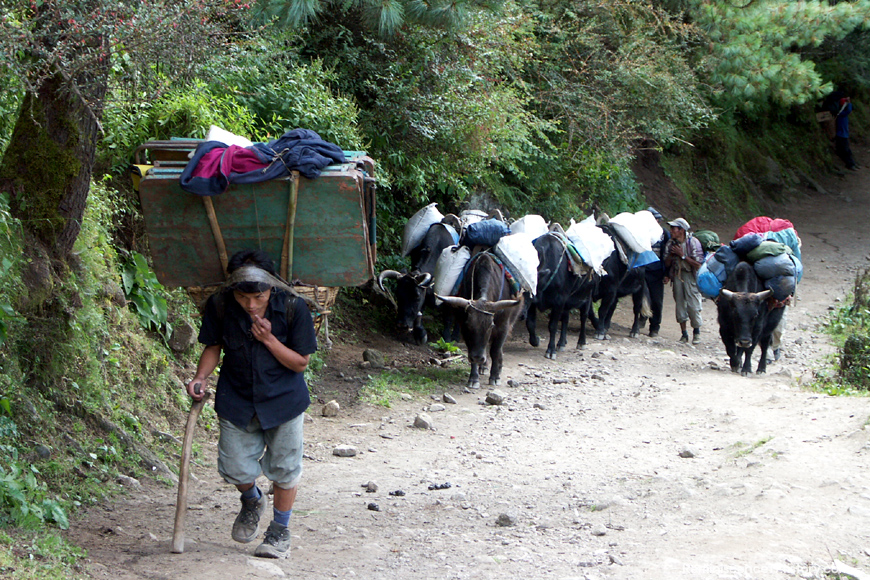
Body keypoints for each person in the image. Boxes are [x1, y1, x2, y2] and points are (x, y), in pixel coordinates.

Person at [187, 249, 317, 559]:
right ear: (233, 290)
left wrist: (270, 340)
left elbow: (301, 363)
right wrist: (201, 377)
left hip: (283, 400)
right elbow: (213, 346)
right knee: (233, 466)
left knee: (285, 469)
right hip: (237, 397)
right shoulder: (220, 305)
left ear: (271, 286)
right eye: (244, 298)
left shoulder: (292, 307)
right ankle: (251, 499)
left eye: (258, 297)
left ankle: (279, 531)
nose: (251, 304)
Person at [663, 218, 704, 344]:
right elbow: (666, 262)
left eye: (673, 228)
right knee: (680, 306)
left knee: (693, 306)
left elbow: (698, 265)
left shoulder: (693, 242)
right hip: (677, 276)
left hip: (690, 276)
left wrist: (682, 255)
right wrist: (672, 254)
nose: (671, 231)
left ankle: (696, 332)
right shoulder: (671, 243)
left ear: (681, 230)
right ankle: (684, 334)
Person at [644, 207, 670, 338]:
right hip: (642, 270)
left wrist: (667, 273)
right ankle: (639, 322)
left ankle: (654, 327)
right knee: (642, 298)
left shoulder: (664, 234)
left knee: (656, 300)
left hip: (657, 272)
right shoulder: (641, 232)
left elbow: (667, 254)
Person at [835, 95, 858, 171]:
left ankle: (852, 163)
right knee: (846, 151)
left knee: (847, 150)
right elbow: (849, 110)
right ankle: (850, 164)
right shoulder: (841, 114)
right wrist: (849, 103)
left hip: (843, 135)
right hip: (841, 135)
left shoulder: (842, 114)